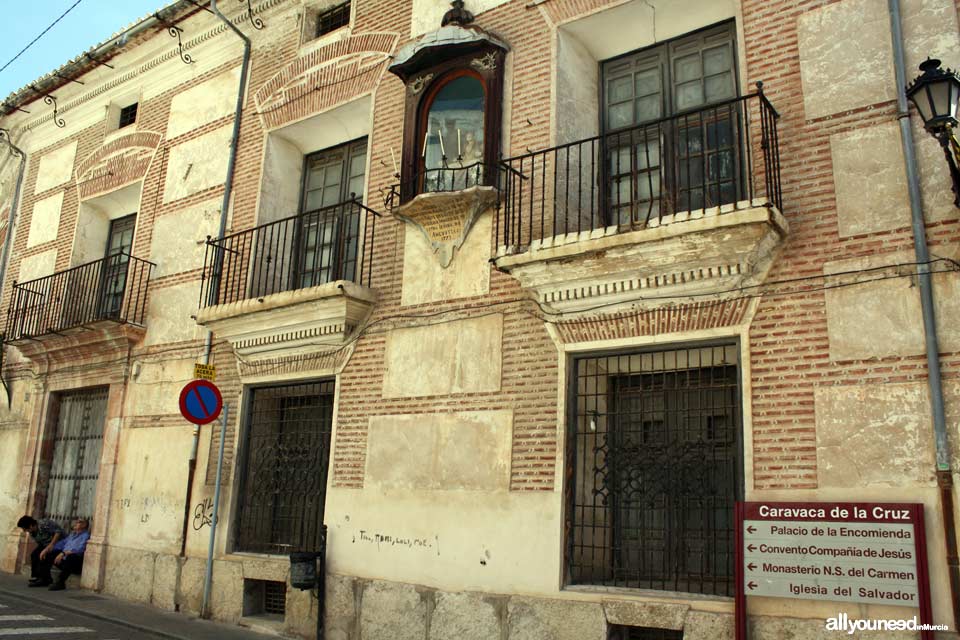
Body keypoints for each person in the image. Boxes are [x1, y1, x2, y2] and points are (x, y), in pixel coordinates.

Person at [16, 515, 64, 587]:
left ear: (31, 525)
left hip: (57, 544)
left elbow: (58, 532)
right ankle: (38, 577)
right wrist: (43, 549)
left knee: (44, 556)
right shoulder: (32, 532)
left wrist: (51, 545)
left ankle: (45, 579)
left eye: (25, 529)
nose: (25, 531)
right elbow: (40, 542)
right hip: (45, 544)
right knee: (34, 555)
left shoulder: (44, 524)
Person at [48, 518, 90, 591]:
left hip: (76, 562)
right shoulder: (72, 535)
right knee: (50, 554)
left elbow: (80, 550)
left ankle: (60, 582)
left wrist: (64, 553)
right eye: (76, 521)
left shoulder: (85, 536)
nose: (76, 523)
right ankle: (45, 578)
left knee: (71, 557)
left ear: (84, 525)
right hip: (65, 561)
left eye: (79, 522)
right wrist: (48, 549)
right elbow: (61, 544)